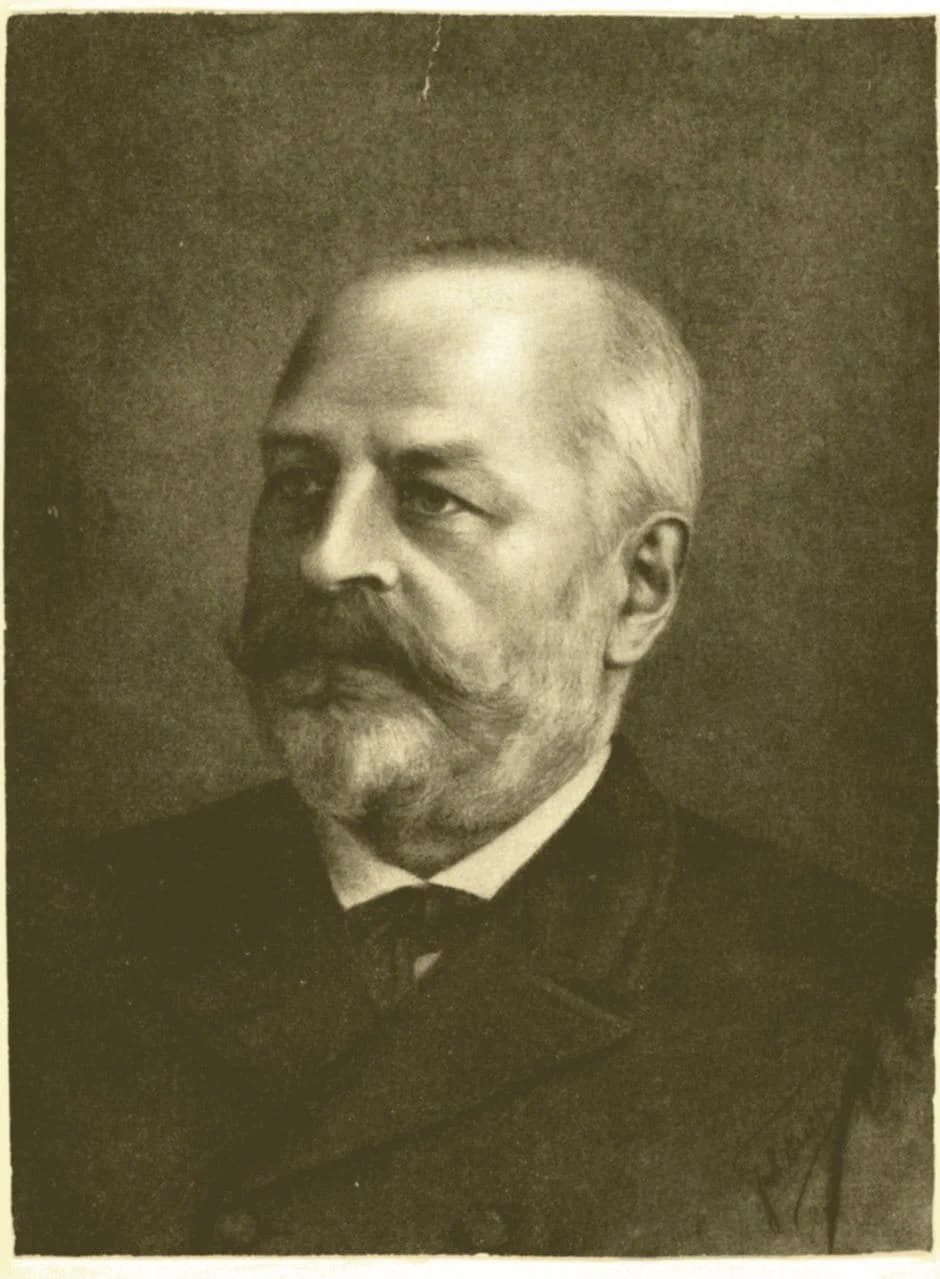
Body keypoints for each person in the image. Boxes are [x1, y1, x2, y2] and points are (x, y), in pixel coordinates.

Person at [10, 245, 933, 1256]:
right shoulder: (46, 941)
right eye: (298, 482)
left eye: (433, 497)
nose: (325, 557)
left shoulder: (872, 1010)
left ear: (639, 586)